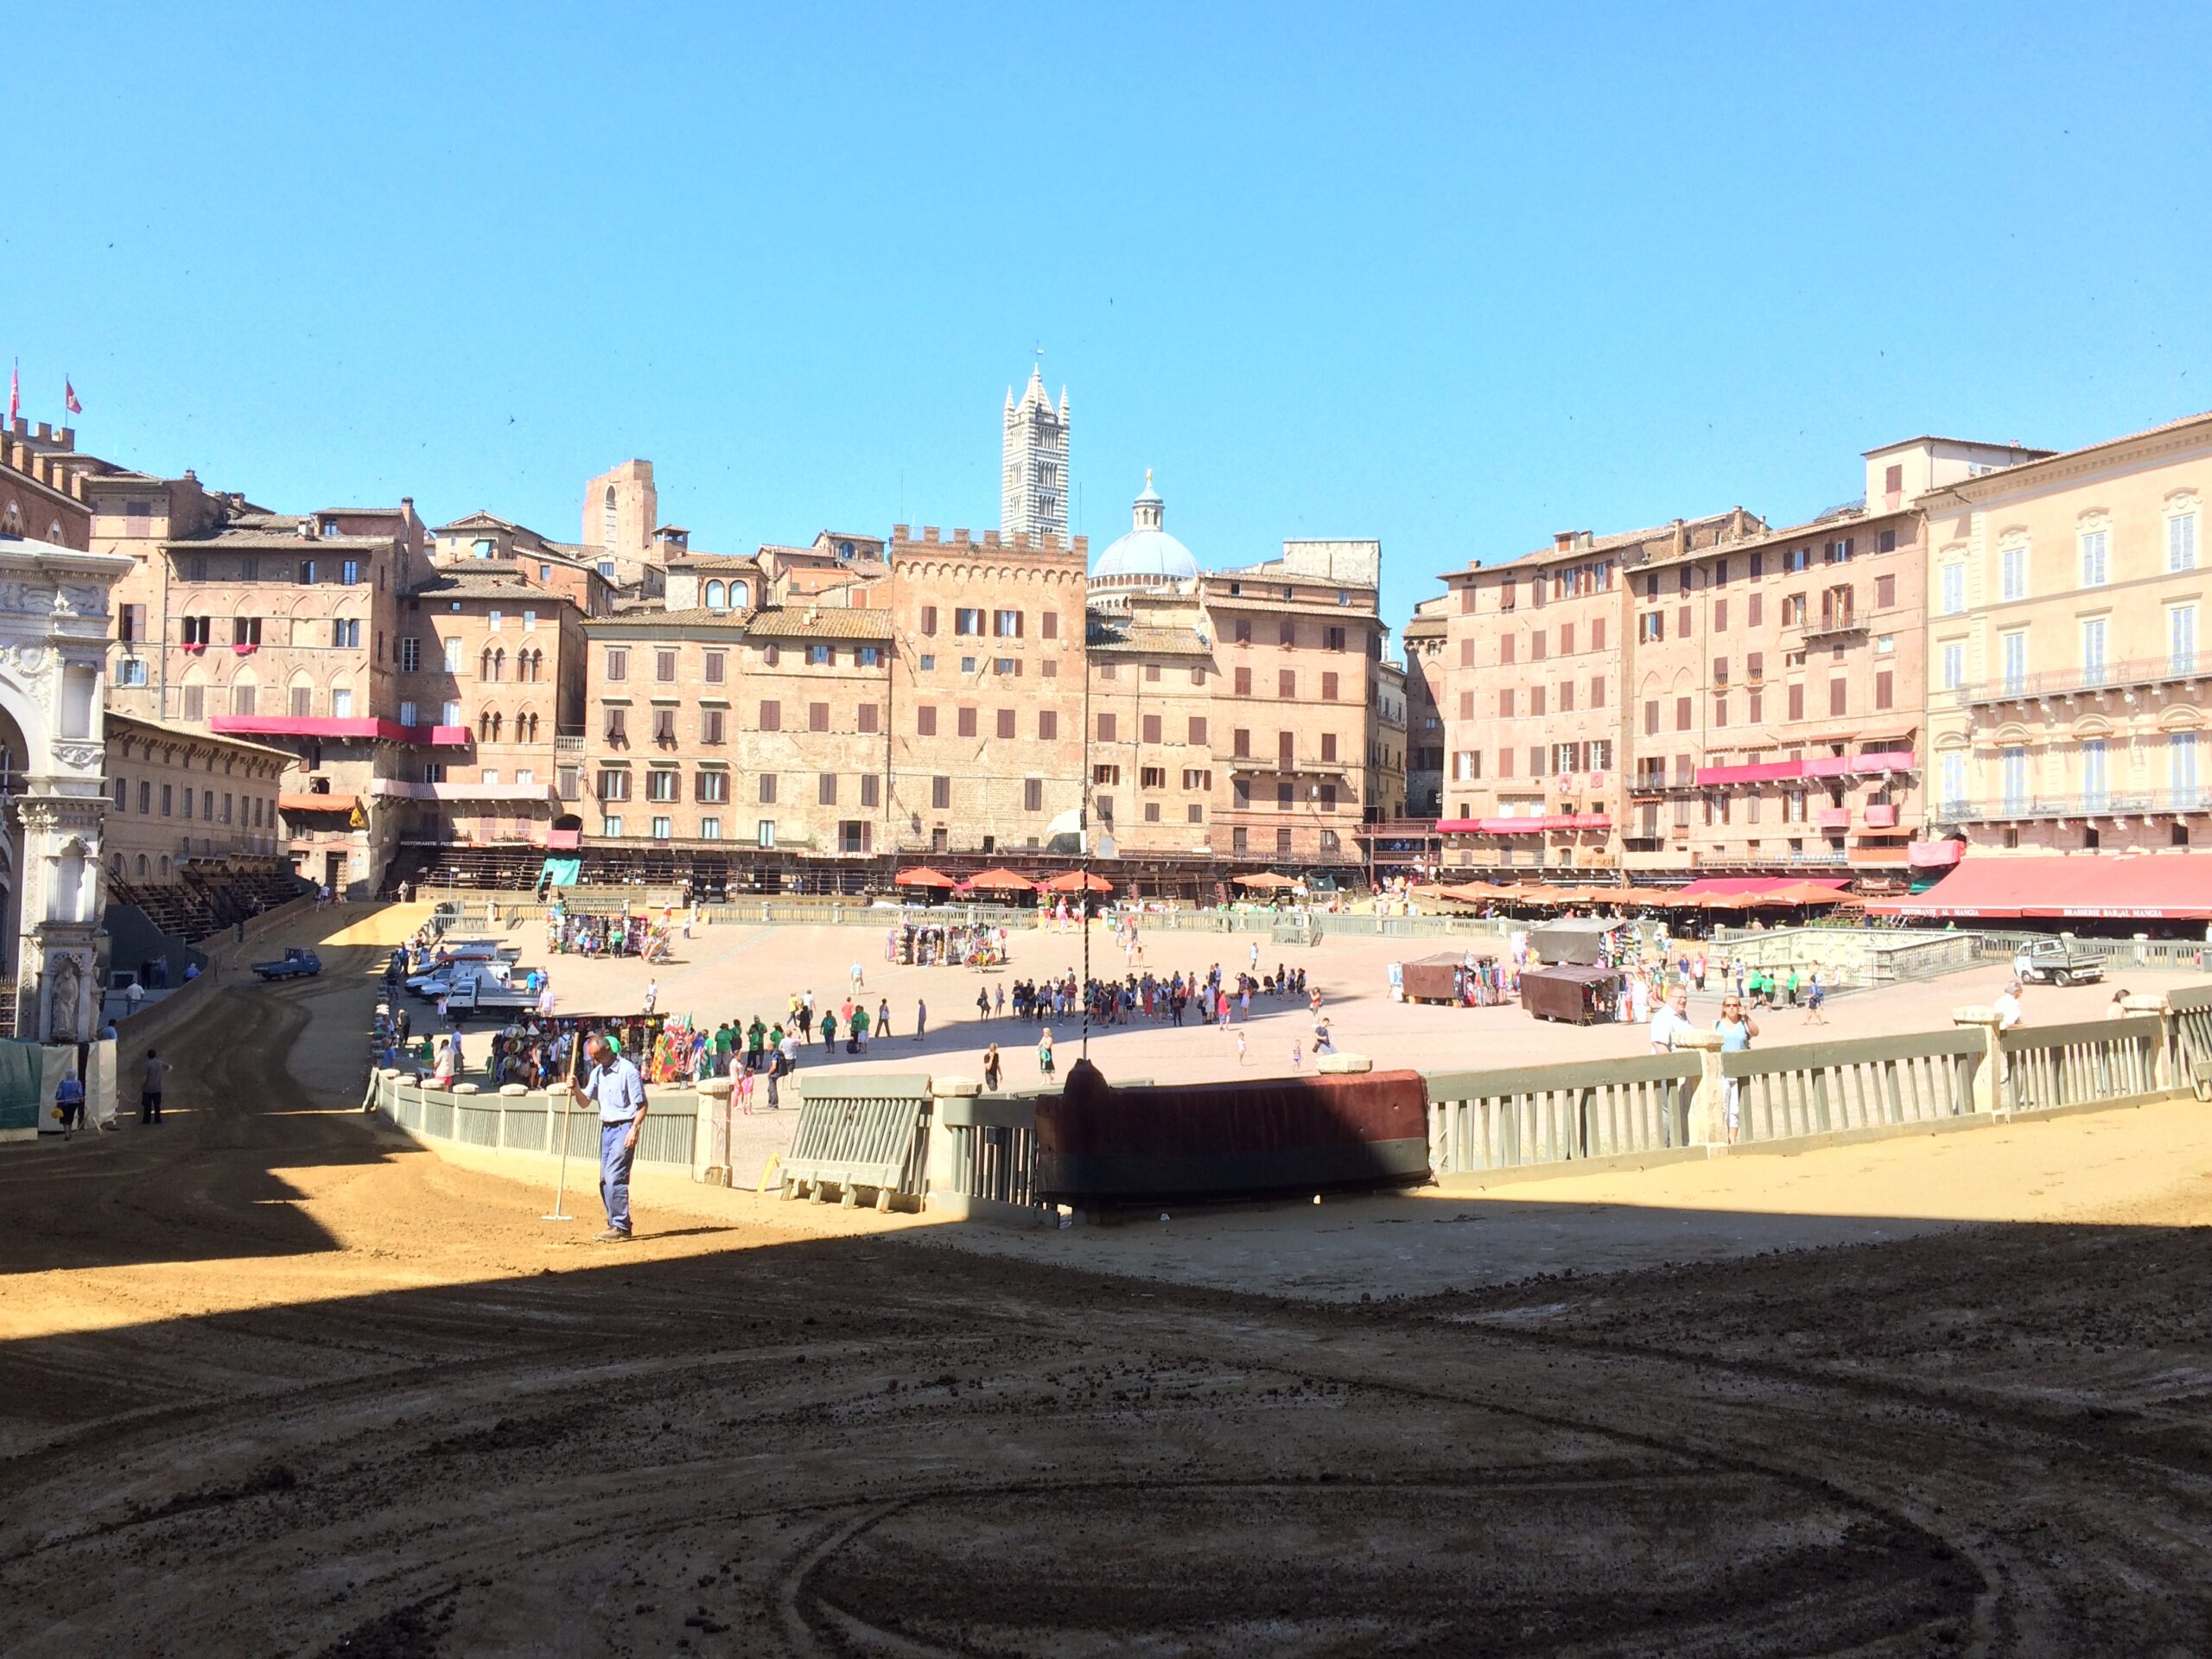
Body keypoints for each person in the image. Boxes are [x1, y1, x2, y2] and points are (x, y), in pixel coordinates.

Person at [569, 1033, 647, 1242]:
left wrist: (634, 1129)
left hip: (624, 1127)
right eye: (591, 1057)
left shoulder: (628, 1071)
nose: (594, 1061)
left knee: (615, 1177)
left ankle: (621, 1226)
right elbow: (585, 1102)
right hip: (606, 1129)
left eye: (596, 1056)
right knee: (604, 1181)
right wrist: (576, 1087)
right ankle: (614, 1223)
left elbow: (642, 1106)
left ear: (607, 1051)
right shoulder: (597, 1073)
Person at [1714, 994, 1758, 1146]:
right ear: (1724, 1008)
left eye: (1735, 1005)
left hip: (1739, 1070)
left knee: (1735, 1108)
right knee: (1722, 1107)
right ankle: (1723, 1137)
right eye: (1728, 1005)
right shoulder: (1716, 1025)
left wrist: (1747, 1017)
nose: (1732, 1008)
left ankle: (1732, 1139)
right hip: (1722, 1071)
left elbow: (1755, 1032)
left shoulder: (1743, 1024)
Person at [142, 1048, 170, 1125]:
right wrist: (163, 1075)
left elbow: (145, 1076)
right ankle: (158, 1120)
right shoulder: (159, 1063)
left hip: (148, 1088)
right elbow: (170, 1067)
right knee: (157, 1105)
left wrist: (142, 1085)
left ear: (148, 1056)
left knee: (147, 1106)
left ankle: (146, 1120)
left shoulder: (147, 1064)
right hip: (157, 1087)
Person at [54, 1068, 86, 1139]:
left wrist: (57, 1099)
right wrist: (80, 1098)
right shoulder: (77, 1083)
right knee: (71, 1116)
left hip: (64, 1102)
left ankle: (66, 1134)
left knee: (65, 1117)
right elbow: (80, 1092)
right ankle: (70, 1132)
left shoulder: (63, 1083)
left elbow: (59, 1093)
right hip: (74, 1102)